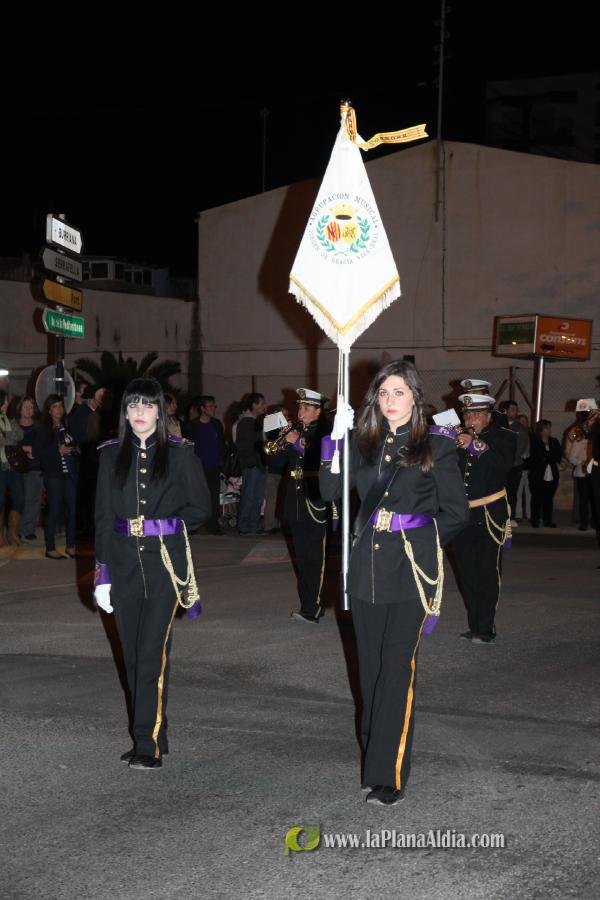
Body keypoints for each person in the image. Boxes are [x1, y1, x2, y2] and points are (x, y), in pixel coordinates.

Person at [319, 361, 469, 805]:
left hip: (411, 572)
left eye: (398, 393)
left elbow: (456, 514)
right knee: (370, 670)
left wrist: (417, 542)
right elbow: (329, 493)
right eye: (383, 394)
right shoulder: (362, 442)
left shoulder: (436, 446)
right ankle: (375, 758)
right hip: (366, 567)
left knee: (397, 670)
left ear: (415, 396)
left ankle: (389, 772)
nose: (389, 402)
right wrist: (334, 440)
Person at [93, 377, 211, 770]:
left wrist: (166, 528)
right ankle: (155, 732)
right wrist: (103, 573)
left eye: (147, 406)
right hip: (124, 565)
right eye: (132, 406)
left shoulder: (179, 454)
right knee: (131, 657)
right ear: (124, 413)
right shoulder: (111, 454)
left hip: (163, 567)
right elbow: (103, 517)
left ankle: (147, 744)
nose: (140, 414)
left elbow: (199, 508)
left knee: (152, 654)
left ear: (160, 411)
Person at [451, 389, 515, 644]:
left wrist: (475, 445)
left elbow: (502, 466)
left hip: (490, 512)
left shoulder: (504, 437)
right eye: (467, 414)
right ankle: (474, 624)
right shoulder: (458, 436)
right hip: (463, 514)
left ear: (488, 415)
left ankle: (486, 627)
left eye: (476, 414)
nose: (470, 419)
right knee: (467, 573)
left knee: (488, 572)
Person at [282, 389, 332, 623]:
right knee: (301, 557)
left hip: (316, 500)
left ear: (318, 411)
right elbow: (272, 462)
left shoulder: (326, 432)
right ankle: (307, 604)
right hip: (296, 501)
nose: (300, 412)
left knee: (315, 557)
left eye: (305, 408)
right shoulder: (296, 431)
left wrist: (299, 444)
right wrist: (279, 439)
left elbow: (321, 459)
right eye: (299, 407)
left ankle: (314, 607)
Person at [33, 395, 79, 559]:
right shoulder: (44, 429)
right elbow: (37, 453)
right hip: (53, 475)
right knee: (54, 509)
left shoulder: (66, 426)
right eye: (55, 406)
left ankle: (71, 545)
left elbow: (73, 446)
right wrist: (57, 450)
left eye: (60, 406)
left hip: (70, 474)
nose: (59, 409)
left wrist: (73, 449)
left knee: (74, 510)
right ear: (48, 410)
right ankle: (50, 547)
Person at [188, 395, 226, 535]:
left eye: (214, 406)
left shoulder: (216, 424)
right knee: (196, 496)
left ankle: (213, 525)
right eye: (210, 406)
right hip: (198, 467)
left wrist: (221, 461)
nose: (213, 409)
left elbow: (221, 444)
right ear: (202, 409)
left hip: (214, 466)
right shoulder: (193, 426)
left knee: (213, 496)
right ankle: (193, 524)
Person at [235, 392, 267, 535]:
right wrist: (252, 464)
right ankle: (244, 526)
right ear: (254, 405)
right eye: (262, 403)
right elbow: (247, 446)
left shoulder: (254, 421)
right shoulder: (246, 422)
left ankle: (253, 526)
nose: (264, 406)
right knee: (250, 496)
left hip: (258, 465)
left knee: (257, 497)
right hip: (252, 465)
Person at [0, 389, 25, 546]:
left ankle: (12, 533)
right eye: (4, 400)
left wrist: (4, 436)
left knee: (19, 498)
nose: (7, 403)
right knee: (0, 500)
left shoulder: (10, 419)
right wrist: (8, 437)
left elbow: (20, 434)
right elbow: (12, 438)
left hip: (13, 466)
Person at [499, 400, 529, 527]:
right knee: (498, 492)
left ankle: (510, 517)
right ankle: (499, 516)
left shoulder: (520, 428)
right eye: (512, 409)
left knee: (512, 492)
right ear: (505, 410)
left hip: (514, 465)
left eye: (516, 409)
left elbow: (520, 447)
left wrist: (507, 460)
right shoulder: (498, 425)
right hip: (499, 465)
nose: (515, 412)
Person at [17, 396, 43, 541]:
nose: (28, 410)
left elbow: (44, 446)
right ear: (20, 409)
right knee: (20, 499)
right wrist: (25, 448)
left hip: (35, 467)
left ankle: (29, 529)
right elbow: (8, 446)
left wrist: (35, 451)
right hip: (17, 468)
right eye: (25, 407)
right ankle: (17, 529)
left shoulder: (39, 427)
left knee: (34, 499)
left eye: (31, 407)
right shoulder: (14, 426)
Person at [528, 420, 562, 528]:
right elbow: (536, 457)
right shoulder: (534, 441)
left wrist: (547, 457)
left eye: (549, 428)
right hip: (537, 474)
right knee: (536, 498)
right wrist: (548, 456)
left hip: (552, 474)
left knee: (549, 499)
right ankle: (535, 521)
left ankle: (548, 521)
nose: (549, 430)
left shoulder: (554, 441)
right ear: (541, 430)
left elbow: (558, 456)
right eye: (547, 428)